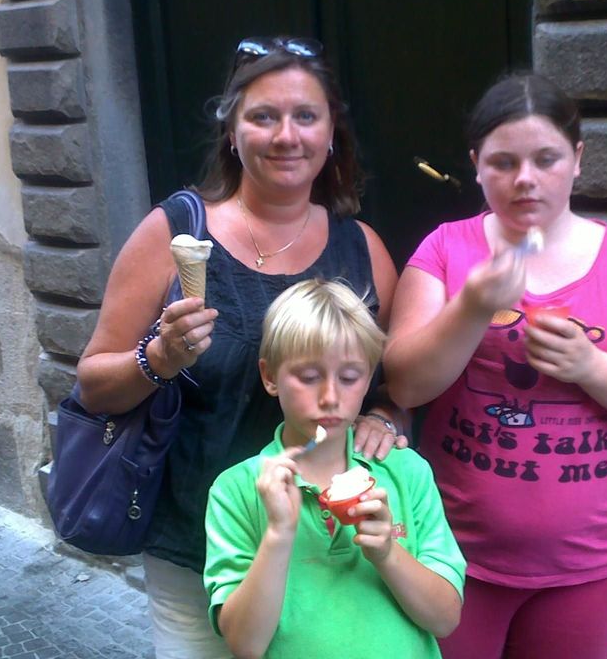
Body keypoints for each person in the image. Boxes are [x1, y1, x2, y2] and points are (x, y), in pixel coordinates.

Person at [76, 36, 403, 659]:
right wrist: (158, 359)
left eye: (306, 116)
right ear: (232, 131)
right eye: (263, 116)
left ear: (331, 133)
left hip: (325, 540)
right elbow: (93, 383)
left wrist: (389, 416)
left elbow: (389, 385)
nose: (287, 135)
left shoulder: (361, 249)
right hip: (194, 541)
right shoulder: (174, 231)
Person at [382, 72, 607, 659]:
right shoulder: (445, 250)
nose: (525, 179)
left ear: (577, 160)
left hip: (588, 567)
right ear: (476, 163)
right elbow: (405, 383)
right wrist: (474, 307)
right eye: (503, 162)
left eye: (546, 158)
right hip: (452, 556)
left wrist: (592, 366)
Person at [203, 279, 465, 658]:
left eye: (349, 377)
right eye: (308, 378)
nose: (330, 397)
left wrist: (388, 553)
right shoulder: (237, 490)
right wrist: (278, 535)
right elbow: (245, 644)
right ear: (270, 376)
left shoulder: (406, 471)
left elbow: (444, 620)